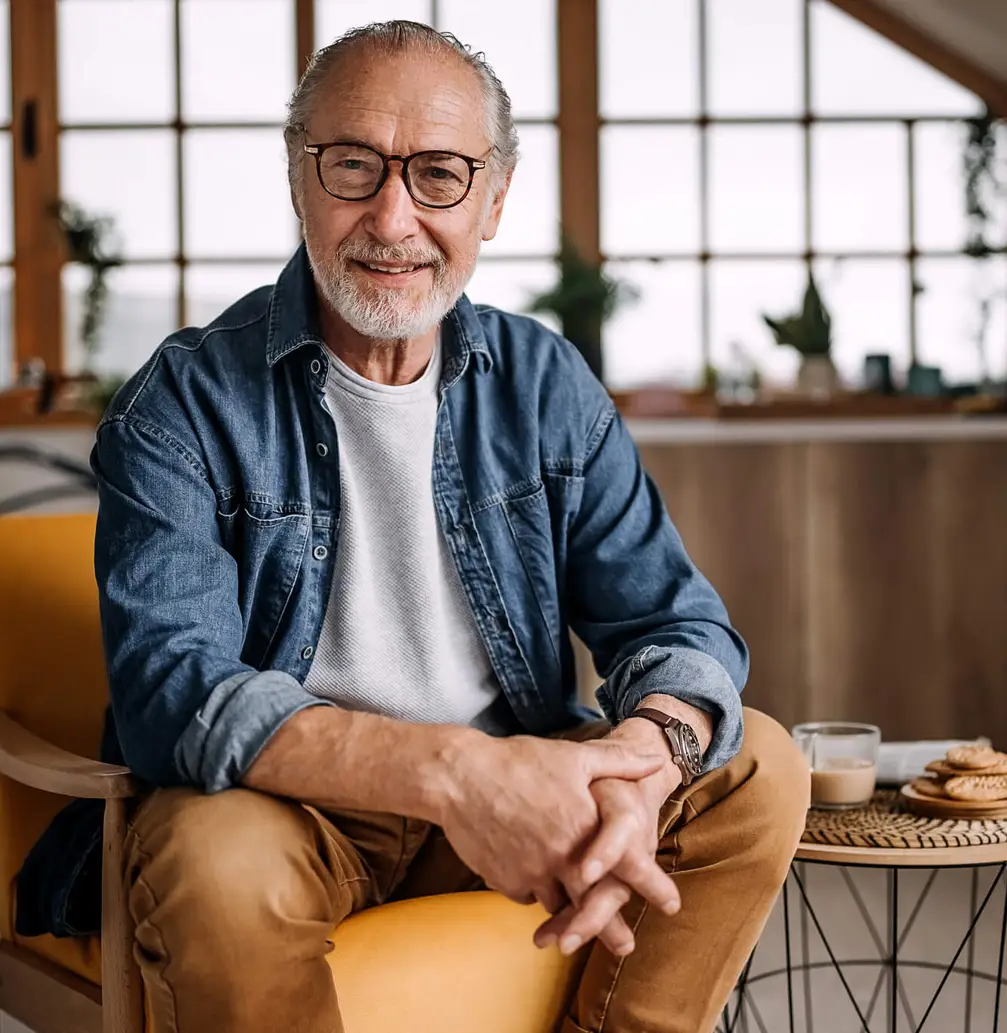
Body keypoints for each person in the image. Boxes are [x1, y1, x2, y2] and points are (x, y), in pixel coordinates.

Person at [84, 20, 808, 1033]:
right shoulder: (184, 401)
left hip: (515, 780)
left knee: (759, 764)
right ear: (301, 181)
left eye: (438, 174)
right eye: (353, 167)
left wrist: (646, 760)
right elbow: (174, 694)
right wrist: (457, 772)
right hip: (294, 804)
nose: (393, 216)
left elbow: (676, 628)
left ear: (494, 199)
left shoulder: (543, 382)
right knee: (214, 860)